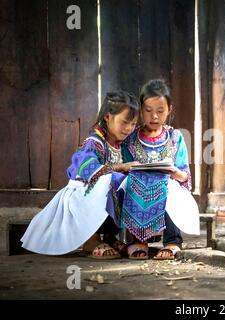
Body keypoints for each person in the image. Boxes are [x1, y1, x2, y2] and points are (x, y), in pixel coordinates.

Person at [21, 91, 140, 259]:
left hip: (103, 197)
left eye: (133, 124)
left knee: (129, 183)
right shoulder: (94, 143)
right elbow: (87, 169)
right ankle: (90, 240)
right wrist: (121, 167)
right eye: (125, 122)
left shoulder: (124, 146)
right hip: (81, 199)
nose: (129, 128)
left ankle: (109, 237)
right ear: (107, 117)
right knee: (110, 180)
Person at [121, 79, 200, 260]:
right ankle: (139, 240)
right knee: (133, 184)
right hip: (139, 188)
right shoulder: (131, 139)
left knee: (169, 187)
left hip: (168, 186)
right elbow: (124, 170)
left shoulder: (175, 138)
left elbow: (184, 177)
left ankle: (173, 241)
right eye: (148, 111)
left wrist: (173, 172)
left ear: (169, 109)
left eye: (160, 111)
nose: (154, 117)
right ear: (140, 110)